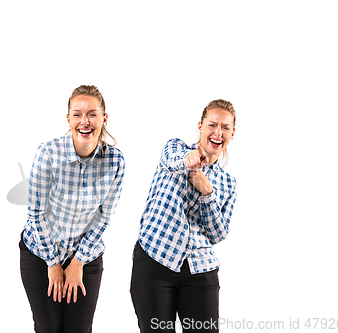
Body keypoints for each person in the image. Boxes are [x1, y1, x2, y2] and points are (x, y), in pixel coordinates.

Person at [19, 85, 125, 333]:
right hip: (41, 253)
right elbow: (36, 213)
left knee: (79, 328)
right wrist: (53, 263)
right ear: (68, 119)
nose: (84, 121)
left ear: (103, 118)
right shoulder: (48, 153)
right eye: (77, 114)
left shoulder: (115, 161)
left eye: (92, 114)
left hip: (86, 255)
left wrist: (77, 263)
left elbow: (105, 216)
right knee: (50, 328)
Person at [130, 99, 237, 333]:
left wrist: (207, 191)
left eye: (225, 127)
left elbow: (218, 234)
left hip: (201, 270)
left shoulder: (228, 183)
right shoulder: (175, 148)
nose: (218, 132)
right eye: (212, 125)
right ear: (200, 126)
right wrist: (189, 160)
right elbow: (172, 161)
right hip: (155, 261)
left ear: (232, 133)